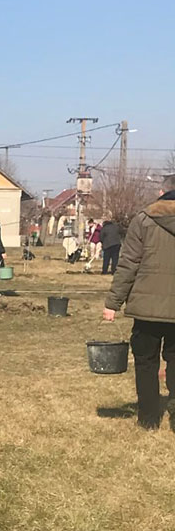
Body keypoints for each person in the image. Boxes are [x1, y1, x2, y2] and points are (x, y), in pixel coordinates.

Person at [102, 174, 175, 430]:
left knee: (146, 362)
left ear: (160, 193)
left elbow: (128, 264)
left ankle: (148, 419)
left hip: (146, 309)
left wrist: (113, 303)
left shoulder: (143, 220)